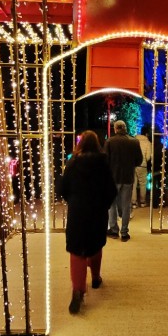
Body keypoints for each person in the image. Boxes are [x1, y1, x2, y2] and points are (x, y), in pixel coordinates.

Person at [58, 130, 117, 314]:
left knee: (77, 250)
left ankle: (78, 290)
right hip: (97, 211)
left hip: (77, 211)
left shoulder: (72, 162)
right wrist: (103, 205)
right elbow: (111, 190)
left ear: (81, 143)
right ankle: (96, 278)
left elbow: (62, 187)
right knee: (95, 245)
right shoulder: (103, 163)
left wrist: (73, 200)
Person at [105, 119, 143, 240]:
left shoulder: (110, 141)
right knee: (126, 205)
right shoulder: (134, 142)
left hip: (113, 177)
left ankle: (114, 229)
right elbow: (139, 160)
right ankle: (125, 231)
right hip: (128, 177)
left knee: (112, 204)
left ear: (115, 129)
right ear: (125, 128)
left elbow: (105, 160)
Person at [134, 124, 153, 206]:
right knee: (142, 184)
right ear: (146, 134)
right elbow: (148, 156)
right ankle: (142, 201)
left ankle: (133, 203)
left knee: (133, 184)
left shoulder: (133, 141)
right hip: (142, 165)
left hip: (133, 165)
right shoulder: (148, 143)